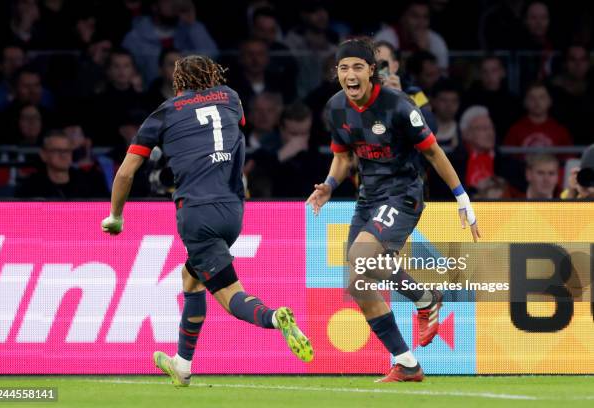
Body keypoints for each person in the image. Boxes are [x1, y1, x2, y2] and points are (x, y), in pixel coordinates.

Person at [101, 55, 313, 386]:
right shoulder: (231, 98)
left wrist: (115, 216)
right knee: (192, 278)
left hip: (197, 214)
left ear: (178, 82)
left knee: (230, 295)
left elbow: (127, 172)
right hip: (233, 210)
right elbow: (226, 138)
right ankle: (183, 365)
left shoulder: (166, 112)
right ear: (213, 76)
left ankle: (275, 318)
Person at [306, 38, 480, 383]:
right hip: (368, 197)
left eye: (358, 67)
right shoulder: (336, 108)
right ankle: (407, 362)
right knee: (358, 282)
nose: (350, 75)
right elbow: (343, 157)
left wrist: (462, 197)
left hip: (403, 194)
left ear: (372, 71)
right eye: (344, 68)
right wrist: (329, 184)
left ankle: (424, 297)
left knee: (361, 256)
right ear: (336, 73)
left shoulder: (399, 106)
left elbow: (433, 152)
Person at [15, 129, 109, 198]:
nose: (63, 155)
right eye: (57, 150)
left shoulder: (91, 182)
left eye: (67, 150)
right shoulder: (30, 187)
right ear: (43, 155)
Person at [504, 82, 573, 150]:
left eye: (542, 97)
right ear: (525, 102)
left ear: (550, 101)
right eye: (532, 98)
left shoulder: (560, 131)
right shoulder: (515, 130)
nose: (537, 102)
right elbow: (507, 159)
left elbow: (569, 159)